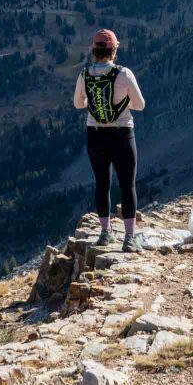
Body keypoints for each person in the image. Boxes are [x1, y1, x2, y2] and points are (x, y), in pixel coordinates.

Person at [73, 28, 146, 252]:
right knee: (127, 184)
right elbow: (140, 105)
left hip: (95, 134)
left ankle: (105, 233)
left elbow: (78, 104)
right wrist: (125, 105)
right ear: (114, 50)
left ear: (94, 51)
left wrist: (91, 105)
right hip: (122, 132)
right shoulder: (124, 74)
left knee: (102, 184)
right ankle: (130, 238)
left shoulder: (85, 75)